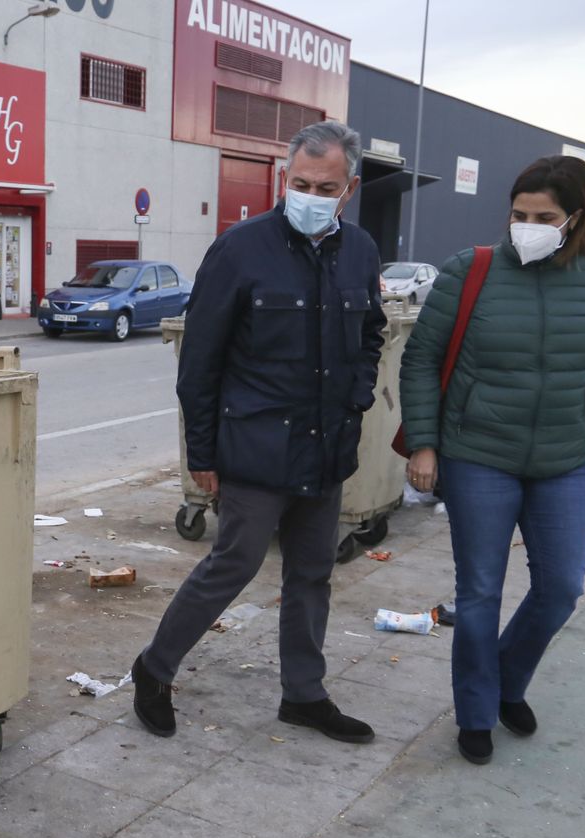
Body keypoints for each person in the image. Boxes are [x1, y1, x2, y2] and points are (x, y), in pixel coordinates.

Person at [129, 120, 386, 745]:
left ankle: (304, 694)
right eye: (300, 182)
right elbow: (201, 362)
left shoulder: (360, 251)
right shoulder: (240, 249)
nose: (310, 194)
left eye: (325, 186)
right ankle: (154, 669)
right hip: (257, 447)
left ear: (347, 189)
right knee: (233, 563)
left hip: (326, 449)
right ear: (283, 177)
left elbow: (371, 333)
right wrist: (203, 455)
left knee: (312, 572)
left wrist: (355, 398)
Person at [399, 155, 585, 766]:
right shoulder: (472, 270)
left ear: (575, 219)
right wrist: (425, 443)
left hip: (562, 460)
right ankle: (474, 712)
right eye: (519, 214)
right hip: (478, 456)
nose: (528, 226)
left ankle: (506, 681)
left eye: (543, 216)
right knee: (482, 590)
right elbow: (419, 360)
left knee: (562, 587)